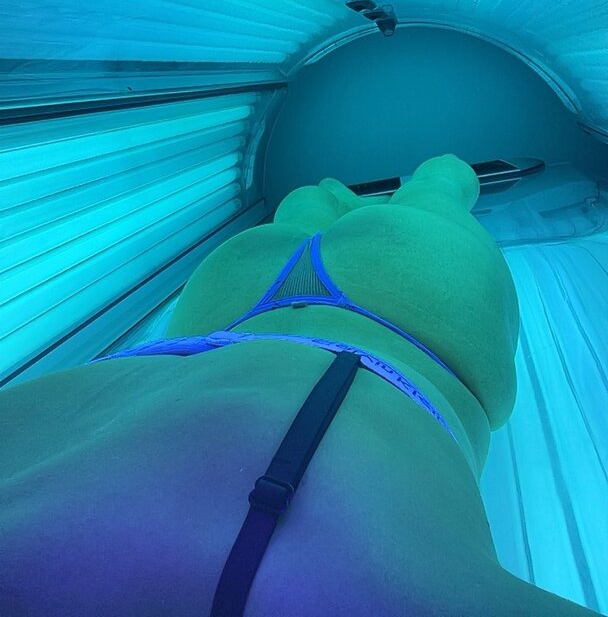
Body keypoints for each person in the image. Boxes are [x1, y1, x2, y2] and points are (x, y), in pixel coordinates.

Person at [0, 155, 603, 615]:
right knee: (330, 203)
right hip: (235, 314)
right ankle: (350, 193)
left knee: (432, 189)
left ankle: (358, 193)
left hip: (397, 322)